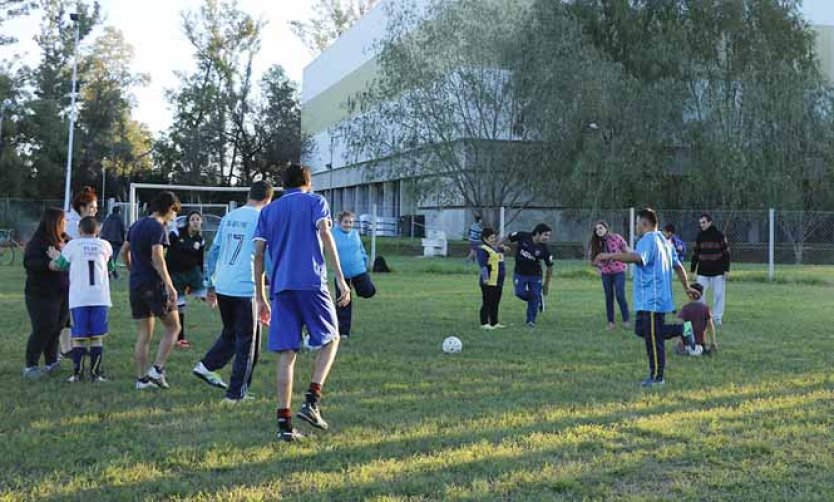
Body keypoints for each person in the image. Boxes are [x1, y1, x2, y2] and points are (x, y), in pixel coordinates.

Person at [253, 164, 350, 442]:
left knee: (287, 353)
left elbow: (258, 255)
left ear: (284, 184)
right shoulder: (316, 202)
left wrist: (261, 296)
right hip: (311, 282)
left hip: (281, 287)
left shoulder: (269, 211)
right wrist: (341, 279)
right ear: (308, 182)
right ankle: (311, 401)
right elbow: (325, 234)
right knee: (331, 338)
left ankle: (284, 425)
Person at [594, 208, 699, 387]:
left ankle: (657, 377)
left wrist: (609, 256)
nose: (636, 227)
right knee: (642, 329)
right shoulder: (666, 242)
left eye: (637, 223)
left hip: (652, 299)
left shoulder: (647, 240)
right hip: (656, 298)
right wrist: (687, 287)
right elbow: (678, 266)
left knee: (653, 339)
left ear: (644, 224)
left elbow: (637, 257)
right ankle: (682, 329)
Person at [192, 181, 274, 403]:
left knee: (232, 333)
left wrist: (211, 283)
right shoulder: (262, 218)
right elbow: (264, 254)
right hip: (245, 286)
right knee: (247, 342)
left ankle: (206, 366)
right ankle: (235, 394)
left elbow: (214, 251)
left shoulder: (229, 217)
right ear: (269, 199)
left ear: (249, 194)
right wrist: (270, 284)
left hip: (225, 284)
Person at [122, 191, 182, 390]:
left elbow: (124, 251)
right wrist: (169, 284)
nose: (174, 217)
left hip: (136, 283)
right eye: (175, 212)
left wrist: (132, 270)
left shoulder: (137, 225)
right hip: (153, 285)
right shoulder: (158, 227)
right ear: (169, 208)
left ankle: (141, 379)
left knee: (144, 335)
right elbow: (158, 257)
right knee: (174, 327)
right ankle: (157, 369)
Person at [48, 216, 113, 382]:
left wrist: (55, 257)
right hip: (100, 297)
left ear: (79, 230)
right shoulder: (105, 245)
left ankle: (77, 374)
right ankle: (96, 374)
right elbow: (110, 267)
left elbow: (60, 266)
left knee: (79, 338)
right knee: (96, 337)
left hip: (79, 298)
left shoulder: (73, 245)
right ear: (97, 230)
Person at [22, 208, 70, 379]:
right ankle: (31, 366)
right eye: (64, 221)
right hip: (41, 294)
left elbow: (70, 261)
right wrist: (51, 263)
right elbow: (30, 263)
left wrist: (60, 258)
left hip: (63, 293)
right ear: (55, 223)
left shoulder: (66, 240)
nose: (67, 223)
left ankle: (51, 362)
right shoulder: (38, 242)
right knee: (43, 328)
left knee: (57, 328)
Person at [60, 187, 99, 357]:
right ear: (82, 207)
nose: (95, 211)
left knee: (71, 312)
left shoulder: (82, 224)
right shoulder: (73, 225)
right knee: (66, 312)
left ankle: (70, 348)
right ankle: (65, 349)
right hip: (68, 274)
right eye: (92, 207)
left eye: (96, 208)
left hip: (79, 276)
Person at [332, 210, 376, 339]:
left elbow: (361, 248)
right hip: (341, 275)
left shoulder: (355, 234)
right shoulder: (333, 234)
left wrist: (365, 259)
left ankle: (357, 290)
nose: (348, 224)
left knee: (369, 291)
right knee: (344, 303)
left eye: (351, 222)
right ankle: (343, 332)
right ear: (339, 222)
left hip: (358, 270)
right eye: (345, 222)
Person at [166, 211, 206, 349]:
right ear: (188, 222)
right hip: (175, 275)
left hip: (192, 274)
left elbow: (200, 261)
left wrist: (197, 280)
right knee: (179, 307)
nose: (195, 221)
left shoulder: (200, 240)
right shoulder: (177, 234)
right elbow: (166, 248)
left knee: (208, 294)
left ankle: (208, 296)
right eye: (193, 219)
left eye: (198, 219)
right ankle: (180, 337)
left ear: (201, 223)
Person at [507, 224, 553, 328]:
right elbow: (508, 236)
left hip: (535, 276)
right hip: (520, 273)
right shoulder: (523, 236)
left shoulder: (545, 249)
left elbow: (550, 268)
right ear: (537, 233)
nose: (547, 238)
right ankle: (537, 299)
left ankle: (531, 321)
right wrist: (499, 246)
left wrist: (546, 285)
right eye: (545, 235)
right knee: (519, 293)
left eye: (549, 236)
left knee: (534, 295)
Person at [588, 221, 631, 330]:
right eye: (597, 229)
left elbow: (627, 252)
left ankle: (626, 320)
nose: (599, 231)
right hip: (606, 273)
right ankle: (611, 322)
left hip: (619, 270)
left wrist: (612, 256)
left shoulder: (616, 238)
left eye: (601, 228)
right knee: (609, 296)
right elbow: (592, 260)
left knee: (620, 294)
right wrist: (598, 265)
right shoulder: (596, 243)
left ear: (606, 228)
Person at [690, 213, 731, 326]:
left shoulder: (719, 236)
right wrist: (692, 270)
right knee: (699, 294)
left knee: (718, 294)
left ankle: (717, 317)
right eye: (700, 223)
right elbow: (695, 254)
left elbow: (726, 253)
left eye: (703, 222)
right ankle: (703, 316)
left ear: (709, 222)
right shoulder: (699, 236)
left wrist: (726, 270)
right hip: (703, 271)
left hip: (718, 271)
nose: (701, 225)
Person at [675, 283, 718, 356]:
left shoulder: (686, 308)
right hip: (701, 343)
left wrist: (679, 341)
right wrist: (713, 342)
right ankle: (703, 351)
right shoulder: (705, 308)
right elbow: (710, 325)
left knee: (687, 325)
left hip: (687, 343)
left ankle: (686, 351)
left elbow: (680, 325)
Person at [477, 227, 507, 330]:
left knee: (495, 302)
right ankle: (484, 323)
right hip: (489, 281)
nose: (494, 239)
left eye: (494, 237)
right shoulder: (482, 249)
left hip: (498, 281)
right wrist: (485, 278)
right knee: (487, 302)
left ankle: (494, 322)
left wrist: (504, 249)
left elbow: (499, 250)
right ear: (485, 239)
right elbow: (483, 265)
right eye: (491, 237)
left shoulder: (493, 248)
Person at [100, 206, 126, 279]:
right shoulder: (120, 219)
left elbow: (103, 229)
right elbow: (122, 230)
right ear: (119, 211)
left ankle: (114, 275)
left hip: (106, 240)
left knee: (109, 258)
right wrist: (123, 240)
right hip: (116, 241)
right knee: (113, 259)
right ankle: (109, 273)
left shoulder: (107, 219)